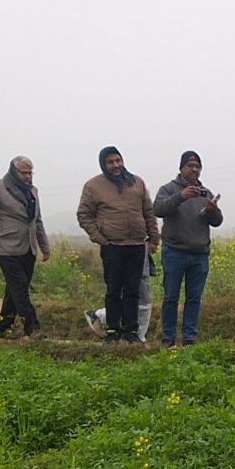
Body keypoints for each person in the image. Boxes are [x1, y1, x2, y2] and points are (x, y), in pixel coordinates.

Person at [77, 146, 159, 345]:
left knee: (133, 290)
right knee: (114, 289)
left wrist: (154, 238)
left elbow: (148, 211)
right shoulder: (93, 186)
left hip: (137, 245)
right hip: (112, 246)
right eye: (110, 162)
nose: (116, 165)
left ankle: (131, 331)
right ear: (104, 165)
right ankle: (113, 330)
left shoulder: (136, 182)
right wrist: (100, 238)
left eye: (118, 160)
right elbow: (83, 215)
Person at [0, 155, 50, 338]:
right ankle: (33, 328)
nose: (27, 176)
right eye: (23, 172)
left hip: (29, 248)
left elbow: (37, 220)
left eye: (30, 172)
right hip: (6, 248)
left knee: (14, 290)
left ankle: (2, 327)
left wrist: (44, 246)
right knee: (20, 288)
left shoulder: (33, 191)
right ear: (13, 171)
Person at [153, 150, 222, 348]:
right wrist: (181, 197)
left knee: (194, 299)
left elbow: (217, 222)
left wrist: (212, 210)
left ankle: (190, 339)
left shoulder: (205, 192)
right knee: (171, 297)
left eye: (197, 166)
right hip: (175, 252)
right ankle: (168, 338)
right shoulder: (168, 189)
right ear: (181, 168)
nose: (194, 170)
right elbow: (157, 209)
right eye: (190, 166)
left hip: (200, 255)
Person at [84, 251, 153, 343]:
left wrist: (154, 240)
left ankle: (135, 335)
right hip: (125, 248)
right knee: (140, 296)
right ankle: (135, 336)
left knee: (140, 296)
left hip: (139, 245)